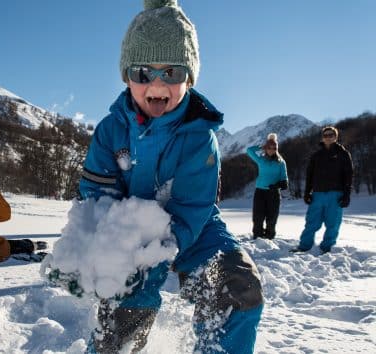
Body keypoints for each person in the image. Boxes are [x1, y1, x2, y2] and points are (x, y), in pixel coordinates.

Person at [55, 1, 264, 353]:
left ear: (190, 77)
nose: (156, 83)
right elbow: (97, 195)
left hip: (193, 228)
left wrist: (158, 251)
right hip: (126, 232)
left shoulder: (199, 136)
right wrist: (92, 250)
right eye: (142, 72)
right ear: (126, 76)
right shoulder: (110, 131)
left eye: (171, 72)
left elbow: (192, 206)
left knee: (239, 287)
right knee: (126, 306)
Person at [291, 126, 353, 254]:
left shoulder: (343, 154)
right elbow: (310, 175)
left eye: (331, 135)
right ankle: (304, 246)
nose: (328, 137)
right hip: (318, 194)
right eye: (326, 135)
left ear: (335, 137)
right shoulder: (316, 155)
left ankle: (327, 248)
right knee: (311, 222)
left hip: (336, 194)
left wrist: (346, 195)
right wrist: (307, 192)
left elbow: (349, 175)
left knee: (333, 223)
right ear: (322, 138)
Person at [246, 133, 288, 239]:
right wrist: (261, 146)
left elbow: (284, 180)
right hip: (260, 192)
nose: (271, 150)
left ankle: (269, 236)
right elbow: (249, 150)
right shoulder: (261, 160)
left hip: (273, 193)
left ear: (276, 149)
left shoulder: (281, 162)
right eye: (269, 147)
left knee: (272, 217)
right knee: (258, 217)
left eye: (274, 148)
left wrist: (278, 185)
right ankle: (258, 236)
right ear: (266, 148)